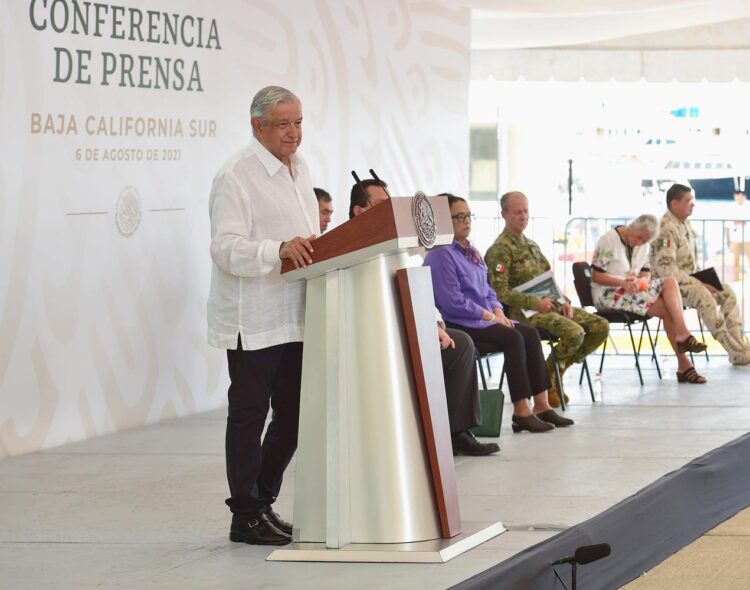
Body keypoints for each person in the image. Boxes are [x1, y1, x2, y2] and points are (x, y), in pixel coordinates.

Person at [208, 86, 319, 546]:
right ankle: (244, 515)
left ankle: (263, 501)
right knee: (249, 415)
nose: (293, 133)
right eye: (283, 124)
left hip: (295, 312)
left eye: (298, 122)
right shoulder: (236, 175)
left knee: (294, 415)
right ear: (257, 126)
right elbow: (224, 247)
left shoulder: (301, 168)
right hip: (251, 318)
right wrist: (276, 250)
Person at [349, 181, 499, 455]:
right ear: (359, 211)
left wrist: (437, 325)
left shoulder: (396, 247)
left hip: (408, 328)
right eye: (382, 206)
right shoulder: (349, 250)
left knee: (461, 344)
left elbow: (418, 289)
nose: (390, 212)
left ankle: (457, 433)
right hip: (374, 334)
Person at [424, 194, 574, 433]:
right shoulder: (441, 254)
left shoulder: (469, 250)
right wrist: (492, 317)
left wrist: (496, 310)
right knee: (513, 338)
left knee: (530, 334)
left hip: (484, 317)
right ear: (443, 220)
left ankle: (542, 405)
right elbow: (452, 302)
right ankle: (521, 411)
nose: (466, 221)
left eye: (468, 215)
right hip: (460, 321)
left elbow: (488, 289)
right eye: (459, 216)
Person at [485, 191, 609, 407]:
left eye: (525, 211)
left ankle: (553, 371)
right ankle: (548, 380)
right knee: (575, 332)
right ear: (504, 214)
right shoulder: (500, 250)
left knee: (600, 326)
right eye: (517, 212)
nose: (523, 216)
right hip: (524, 313)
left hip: (550, 306)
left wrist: (564, 302)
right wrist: (535, 303)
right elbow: (499, 292)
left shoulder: (531, 245)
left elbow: (548, 279)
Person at [591, 214, 709, 383]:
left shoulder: (643, 244)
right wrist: (622, 283)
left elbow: (646, 273)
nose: (639, 242)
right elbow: (596, 276)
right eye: (638, 237)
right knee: (667, 309)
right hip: (608, 293)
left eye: (644, 241)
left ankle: (683, 337)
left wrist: (641, 281)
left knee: (670, 282)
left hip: (632, 291)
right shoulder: (608, 240)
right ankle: (684, 362)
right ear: (632, 226)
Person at [651, 184, 750, 365]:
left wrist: (702, 279)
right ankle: (730, 347)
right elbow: (666, 269)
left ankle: (739, 344)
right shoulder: (665, 228)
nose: (693, 204)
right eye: (688, 201)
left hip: (688, 281)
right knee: (703, 295)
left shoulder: (683, 223)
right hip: (669, 287)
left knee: (727, 291)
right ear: (674, 203)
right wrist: (698, 283)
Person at [728, 190, 750, 281]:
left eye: (740, 197)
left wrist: (741, 221)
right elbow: (729, 223)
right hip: (735, 237)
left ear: (744, 197)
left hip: (748, 237)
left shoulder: (748, 206)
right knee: (735, 259)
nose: (738, 199)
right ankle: (736, 279)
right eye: (737, 197)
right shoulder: (732, 207)